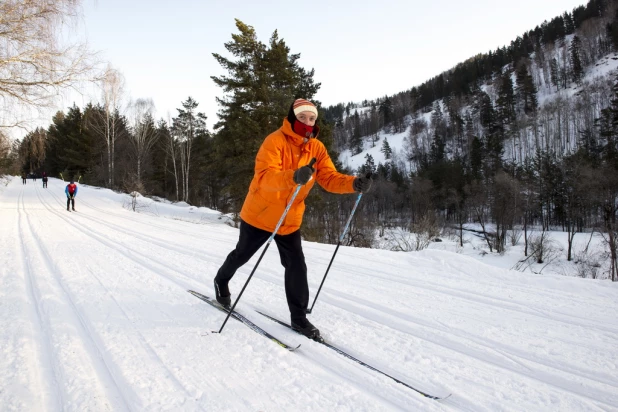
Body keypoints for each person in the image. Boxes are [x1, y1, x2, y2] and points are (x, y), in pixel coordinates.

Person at [213, 98, 372, 340]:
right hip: (261, 215)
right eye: (302, 118)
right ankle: (221, 280)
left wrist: (353, 183)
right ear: (292, 118)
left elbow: (329, 178)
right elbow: (265, 177)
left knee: (296, 265)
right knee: (242, 255)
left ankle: (298, 318)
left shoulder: (316, 149)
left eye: (312, 119)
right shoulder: (275, 141)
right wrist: (294, 176)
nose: (307, 123)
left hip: (289, 220)